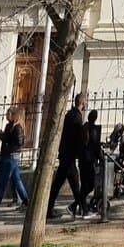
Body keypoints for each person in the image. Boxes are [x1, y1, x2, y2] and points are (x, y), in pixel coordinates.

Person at [47, 91, 94, 220]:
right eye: (86, 102)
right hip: (69, 156)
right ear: (83, 102)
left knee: (58, 186)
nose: (87, 104)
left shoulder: (69, 114)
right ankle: (84, 210)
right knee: (75, 186)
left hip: (65, 155)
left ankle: (49, 209)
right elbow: (77, 138)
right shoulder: (77, 117)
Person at [0, 106, 28, 213]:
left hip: (11, 157)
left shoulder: (17, 128)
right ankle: (26, 201)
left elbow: (19, 143)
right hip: (6, 156)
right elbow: (7, 138)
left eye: (8, 113)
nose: (6, 116)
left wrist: (8, 146)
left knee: (2, 180)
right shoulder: (9, 126)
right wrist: (1, 136)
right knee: (16, 180)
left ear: (14, 115)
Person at [79, 107, 102, 211]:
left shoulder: (84, 127)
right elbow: (95, 146)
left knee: (84, 184)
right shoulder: (94, 130)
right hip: (89, 161)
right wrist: (101, 157)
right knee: (90, 185)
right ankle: (77, 203)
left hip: (82, 160)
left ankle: (81, 207)